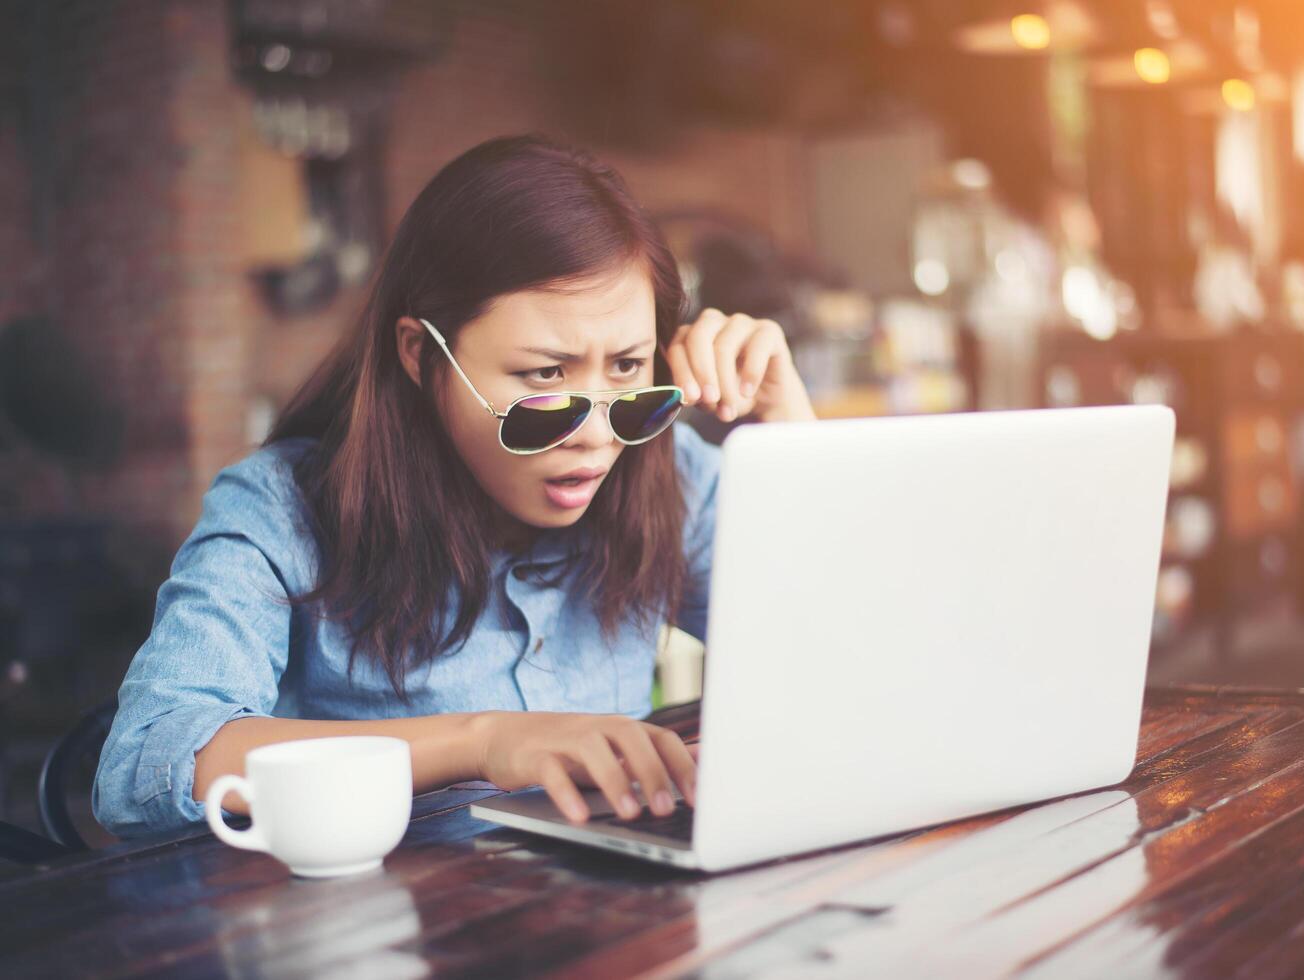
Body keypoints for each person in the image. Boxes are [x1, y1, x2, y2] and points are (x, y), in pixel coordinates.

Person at [93, 134, 816, 837]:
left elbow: (838, 654)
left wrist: (791, 442)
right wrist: (480, 741)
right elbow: (146, 765)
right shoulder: (284, 509)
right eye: (543, 377)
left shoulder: (670, 471)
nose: (598, 435)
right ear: (420, 354)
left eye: (627, 370)